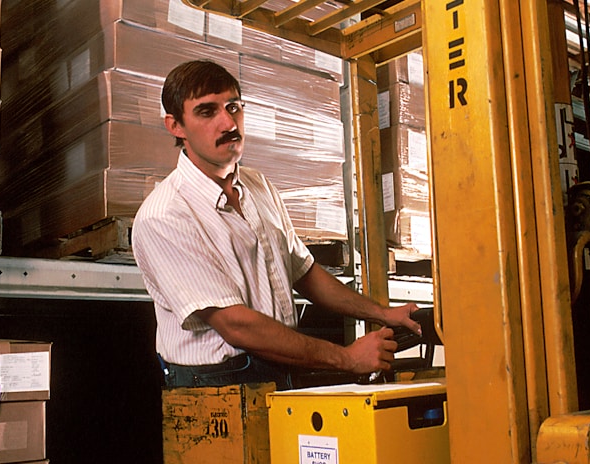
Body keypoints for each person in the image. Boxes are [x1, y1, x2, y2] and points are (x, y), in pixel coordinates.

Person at [134, 60, 421, 390]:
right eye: (207, 112)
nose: (228, 122)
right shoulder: (166, 215)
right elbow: (235, 326)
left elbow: (304, 271)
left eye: (233, 107)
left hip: (280, 365)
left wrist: (382, 313)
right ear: (176, 126)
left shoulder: (259, 186)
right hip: (216, 385)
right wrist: (348, 358)